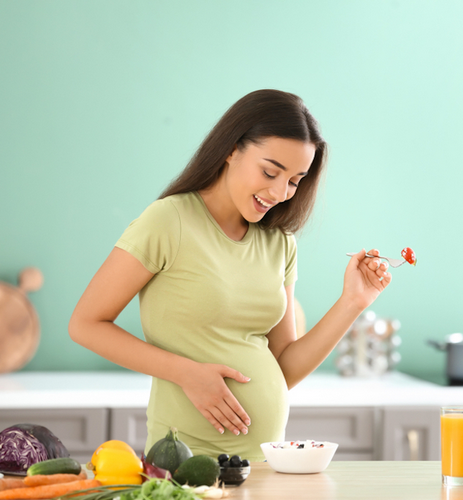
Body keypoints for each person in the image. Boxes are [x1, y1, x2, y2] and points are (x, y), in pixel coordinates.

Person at [69, 89, 393, 461]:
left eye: (294, 180)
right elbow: (85, 324)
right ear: (231, 149)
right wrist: (185, 373)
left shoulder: (279, 243)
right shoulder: (168, 221)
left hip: (267, 462)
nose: (279, 192)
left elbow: (283, 366)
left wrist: (353, 302)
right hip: (187, 463)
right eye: (270, 172)